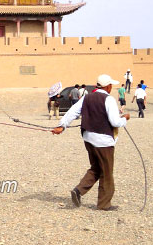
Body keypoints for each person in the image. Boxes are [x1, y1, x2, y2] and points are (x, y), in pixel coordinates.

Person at [52, 74, 129, 211]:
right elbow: (115, 122)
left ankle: (78, 191)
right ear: (108, 86)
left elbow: (72, 112)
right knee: (106, 172)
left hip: (88, 138)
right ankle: (104, 204)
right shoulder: (109, 99)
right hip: (103, 141)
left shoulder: (87, 97)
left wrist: (62, 126)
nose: (112, 87)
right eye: (111, 85)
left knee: (96, 168)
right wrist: (125, 119)